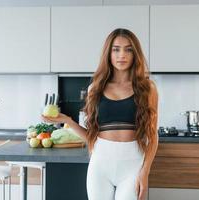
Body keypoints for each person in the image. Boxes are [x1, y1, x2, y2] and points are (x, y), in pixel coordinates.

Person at [42, 28, 159, 200]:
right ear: (108, 53)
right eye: (116, 49)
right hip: (100, 164)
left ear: (135, 54)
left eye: (128, 49)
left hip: (133, 164)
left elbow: (153, 135)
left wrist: (145, 172)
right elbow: (92, 136)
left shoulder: (148, 88)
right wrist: (68, 121)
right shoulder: (95, 89)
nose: (122, 55)